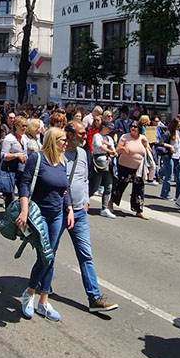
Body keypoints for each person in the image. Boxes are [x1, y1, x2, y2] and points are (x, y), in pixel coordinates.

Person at [17, 127, 73, 321]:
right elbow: (24, 184)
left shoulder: (62, 161)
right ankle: (29, 294)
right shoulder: (37, 158)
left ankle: (43, 301)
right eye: (63, 140)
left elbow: (65, 189)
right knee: (45, 256)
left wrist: (70, 208)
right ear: (53, 141)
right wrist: (24, 211)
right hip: (38, 214)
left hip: (57, 216)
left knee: (51, 257)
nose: (66, 143)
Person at [63, 123, 119, 313]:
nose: (84, 135)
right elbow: (56, 181)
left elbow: (85, 178)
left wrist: (86, 199)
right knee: (48, 253)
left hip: (79, 212)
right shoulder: (58, 153)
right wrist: (67, 205)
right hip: (59, 211)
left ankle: (94, 298)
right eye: (80, 133)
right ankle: (40, 287)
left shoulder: (82, 153)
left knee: (86, 255)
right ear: (69, 134)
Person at [115, 121, 152, 218]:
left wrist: (146, 145)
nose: (133, 128)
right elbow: (117, 149)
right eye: (132, 126)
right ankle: (110, 203)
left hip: (138, 168)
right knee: (120, 186)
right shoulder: (124, 137)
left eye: (135, 126)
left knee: (139, 189)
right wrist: (123, 149)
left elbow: (148, 151)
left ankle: (138, 210)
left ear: (139, 128)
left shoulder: (143, 138)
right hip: (125, 166)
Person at [91, 120, 118, 218]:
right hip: (99, 161)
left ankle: (104, 208)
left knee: (109, 185)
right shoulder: (97, 136)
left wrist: (111, 148)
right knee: (95, 185)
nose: (110, 130)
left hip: (108, 162)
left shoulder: (109, 138)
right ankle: (82, 202)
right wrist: (110, 150)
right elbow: (100, 146)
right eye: (108, 128)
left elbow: (114, 150)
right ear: (104, 127)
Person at [158, 117, 180, 202]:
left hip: (178, 156)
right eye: (179, 122)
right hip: (169, 156)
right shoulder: (168, 132)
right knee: (169, 175)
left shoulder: (179, 132)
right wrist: (170, 146)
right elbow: (160, 142)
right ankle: (165, 194)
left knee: (179, 176)